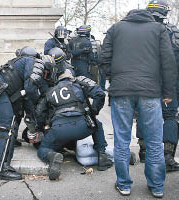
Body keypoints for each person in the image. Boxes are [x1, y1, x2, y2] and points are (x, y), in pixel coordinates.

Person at [100, 8, 177, 198]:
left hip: (121, 90)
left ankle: (124, 184)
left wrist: (115, 78)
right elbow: (168, 62)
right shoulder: (158, 29)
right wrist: (168, 92)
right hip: (150, 91)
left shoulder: (115, 28)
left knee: (122, 141)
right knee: (154, 142)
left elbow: (103, 59)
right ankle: (157, 186)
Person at [37, 59, 112, 180]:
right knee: (97, 125)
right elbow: (100, 94)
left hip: (59, 130)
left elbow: (39, 113)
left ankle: (53, 156)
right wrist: (93, 112)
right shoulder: (79, 82)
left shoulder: (50, 91)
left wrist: (43, 128)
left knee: (43, 149)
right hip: (83, 127)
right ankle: (102, 155)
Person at [0, 46, 48, 180]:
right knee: (7, 126)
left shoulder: (20, 63)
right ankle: (0, 170)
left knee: (11, 120)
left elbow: (26, 96)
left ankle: (3, 163)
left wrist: (31, 114)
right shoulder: (35, 62)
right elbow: (30, 90)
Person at [136, 0, 179, 173]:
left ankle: (144, 151)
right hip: (169, 81)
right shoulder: (173, 31)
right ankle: (168, 157)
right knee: (169, 116)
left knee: (143, 113)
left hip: (144, 80)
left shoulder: (138, 31)